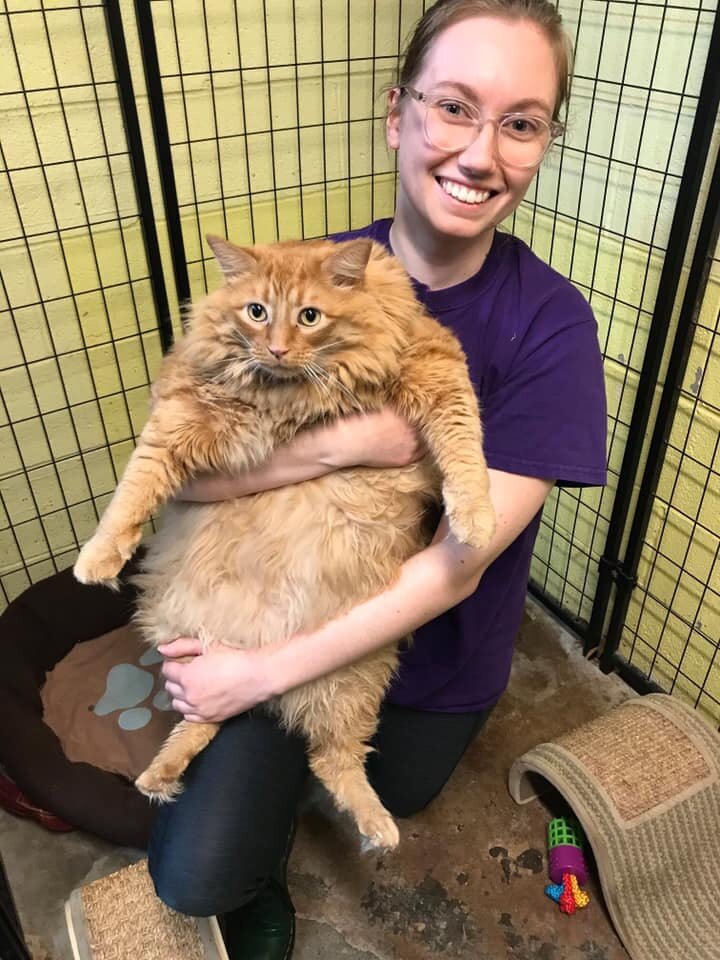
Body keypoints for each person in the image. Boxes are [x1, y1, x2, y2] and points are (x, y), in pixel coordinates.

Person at [147, 1, 607, 957]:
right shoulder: (308, 281)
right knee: (197, 874)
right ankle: (258, 848)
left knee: (394, 786)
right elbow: (183, 474)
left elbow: (463, 559)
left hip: (431, 646)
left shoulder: (551, 325)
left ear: (545, 143)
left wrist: (253, 681)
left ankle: (281, 734)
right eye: (454, 106)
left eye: (521, 122)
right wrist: (348, 447)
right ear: (398, 114)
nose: (481, 153)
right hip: (280, 597)